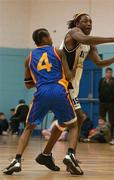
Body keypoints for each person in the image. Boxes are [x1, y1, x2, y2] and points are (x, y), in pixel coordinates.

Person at [3, 28, 83, 176]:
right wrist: (77, 65)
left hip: (41, 91)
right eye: (50, 35)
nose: (52, 38)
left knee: (28, 128)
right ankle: (70, 155)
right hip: (59, 90)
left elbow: (28, 84)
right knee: (73, 125)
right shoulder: (58, 53)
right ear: (45, 38)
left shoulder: (28, 58)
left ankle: (17, 160)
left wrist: (42, 80)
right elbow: (69, 76)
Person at [60, 12, 114, 149]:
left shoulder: (90, 45)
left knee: (76, 119)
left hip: (73, 85)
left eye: (91, 22)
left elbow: (99, 62)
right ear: (77, 24)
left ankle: (63, 154)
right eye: (85, 21)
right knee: (74, 119)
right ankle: (67, 154)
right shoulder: (74, 32)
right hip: (62, 81)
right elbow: (84, 39)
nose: (89, 24)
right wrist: (112, 39)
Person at [99, 67, 114, 136]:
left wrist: (113, 99)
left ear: (112, 73)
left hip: (111, 103)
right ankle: (101, 135)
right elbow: (99, 90)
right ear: (105, 73)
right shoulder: (101, 80)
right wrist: (101, 98)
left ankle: (110, 136)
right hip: (102, 103)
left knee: (111, 120)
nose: (109, 74)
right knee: (102, 119)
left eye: (110, 73)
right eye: (107, 72)